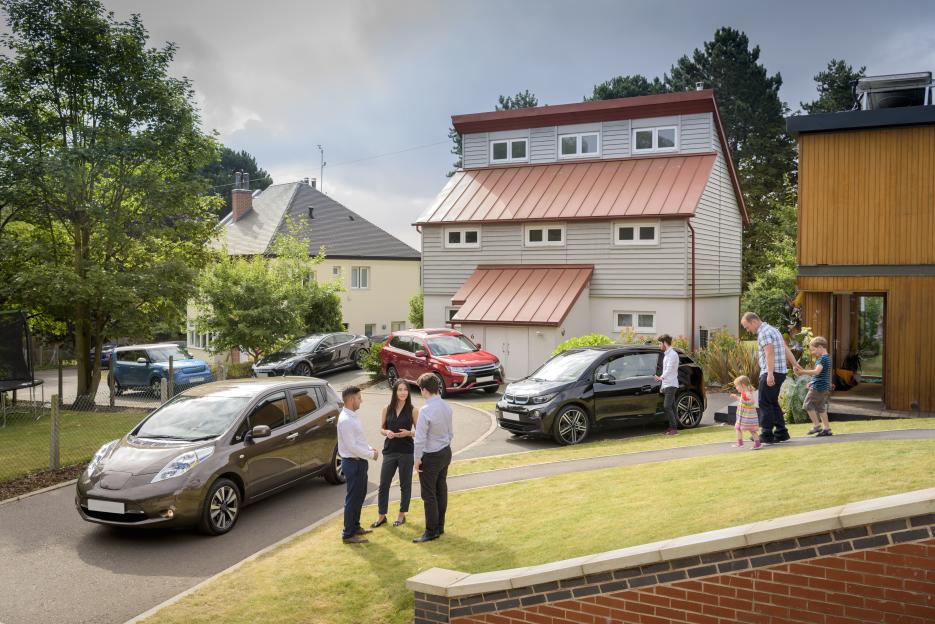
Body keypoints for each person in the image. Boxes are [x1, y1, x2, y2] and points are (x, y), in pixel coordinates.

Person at [740, 312, 798, 444]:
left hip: (770, 372)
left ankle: (766, 434)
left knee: (764, 402)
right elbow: (785, 348)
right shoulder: (773, 330)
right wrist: (794, 364)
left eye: (747, 326)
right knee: (772, 402)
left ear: (754, 321)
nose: (747, 330)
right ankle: (781, 433)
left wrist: (770, 374)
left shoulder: (764, 333)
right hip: (780, 372)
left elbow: (769, 352)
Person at [371, 380, 419, 528]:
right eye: (400, 390)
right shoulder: (387, 408)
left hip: (406, 452)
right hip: (390, 451)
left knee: (405, 485)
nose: (403, 392)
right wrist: (387, 432)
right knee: (384, 484)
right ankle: (381, 516)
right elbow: (381, 429)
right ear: (395, 392)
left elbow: (419, 432)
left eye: (405, 390)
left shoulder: (413, 410)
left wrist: (409, 433)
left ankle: (401, 515)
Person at [412, 372, 453, 543]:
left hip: (431, 455)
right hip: (445, 451)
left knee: (428, 494)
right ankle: (440, 526)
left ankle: (431, 531)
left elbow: (420, 438)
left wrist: (416, 459)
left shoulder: (426, 410)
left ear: (424, 390)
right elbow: (450, 433)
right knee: (441, 489)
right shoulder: (446, 406)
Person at [336, 386, 378, 544]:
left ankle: (355, 526)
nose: (361, 400)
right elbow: (351, 446)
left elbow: (359, 441)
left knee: (360, 495)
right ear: (352, 399)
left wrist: (369, 448)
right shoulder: (346, 420)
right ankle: (348, 534)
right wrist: (370, 454)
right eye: (359, 398)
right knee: (353, 498)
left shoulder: (352, 416)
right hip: (353, 463)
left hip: (359, 461)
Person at [794, 336, 833, 437]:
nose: (813, 352)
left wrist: (802, 372)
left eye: (813, 350)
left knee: (807, 405)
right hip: (823, 387)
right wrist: (812, 381)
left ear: (820, 347)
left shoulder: (822, 359)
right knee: (821, 408)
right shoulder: (827, 358)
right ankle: (827, 429)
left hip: (818, 387)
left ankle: (817, 426)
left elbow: (816, 371)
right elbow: (821, 374)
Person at [654, 334, 680, 435]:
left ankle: (674, 429)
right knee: (672, 407)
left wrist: (661, 377)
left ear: (665, 343)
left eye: (660, 343)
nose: (659, 345)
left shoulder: (672, 354)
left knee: (667, 406)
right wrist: (662, 386)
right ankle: (673, 427)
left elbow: (669, 369)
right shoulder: (667, 354)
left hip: (671, 384)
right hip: (667, 385)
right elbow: (666, 369)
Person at [730, 375, 762, 450]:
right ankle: (740, 442)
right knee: (738, 427)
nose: (736, 388)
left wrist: (738, 398)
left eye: (737, 386)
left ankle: (757, 444)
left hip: (748, 416)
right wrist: (740, 398)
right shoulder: (744, 393)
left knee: (752, 430)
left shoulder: (747, 393)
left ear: (743, 385)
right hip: (743, 416)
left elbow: (751, 402)